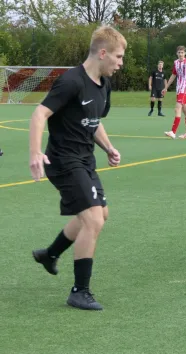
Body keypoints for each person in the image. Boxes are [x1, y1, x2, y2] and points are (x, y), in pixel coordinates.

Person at [28, 26, 126, 310]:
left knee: (101, 214)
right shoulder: (71, 81)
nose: (121, 63)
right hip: (63, 161)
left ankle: (50, 254)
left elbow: (93, 121)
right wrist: (35, 152)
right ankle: (79, 291)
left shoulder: (103, 85)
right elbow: (39, 114)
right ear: (103, 53)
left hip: (84, 159)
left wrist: (108, 147)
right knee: (93, 219)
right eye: (118, 57)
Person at [163, 46, 186, 139]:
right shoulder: (176, 63)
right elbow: (173, 75)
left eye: (182, 52)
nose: (180, 54)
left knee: (177, 109)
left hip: (185, 89)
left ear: (185, 53)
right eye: (179, 52)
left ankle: (173, 132)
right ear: (177, 53)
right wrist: (166, 87)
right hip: (179, 89)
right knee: (185, 110)